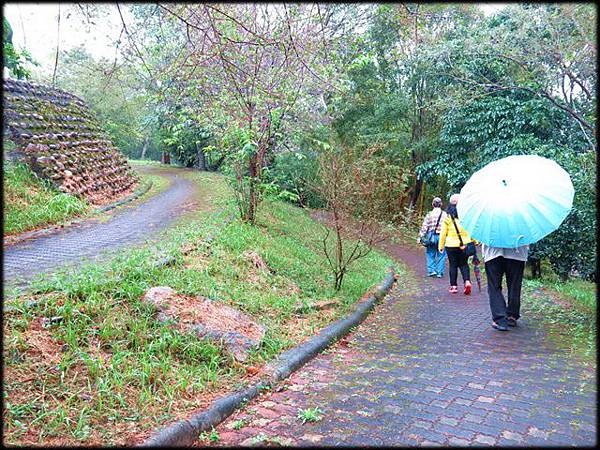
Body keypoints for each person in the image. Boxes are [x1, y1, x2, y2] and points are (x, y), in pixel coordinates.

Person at [482, 244, 529, 331]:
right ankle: (512, 316)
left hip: (493, 253)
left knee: (494, 287)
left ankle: (500, 319)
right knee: (515, 285)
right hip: (517, 253)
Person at [438, 193, 474, 295]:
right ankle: (467, 281)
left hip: (450, 245)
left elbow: (443, 233)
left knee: (453, 265)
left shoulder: (447, 217)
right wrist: (475, 241)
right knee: (464, 264)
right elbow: (471, 230)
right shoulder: (466, 216)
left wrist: (440, 246)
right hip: (465, 243)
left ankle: (453, 286)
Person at [417, 197, 446, 278]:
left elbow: (424, 227)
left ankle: (431, 271)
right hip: (442, 237)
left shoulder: (429, 215)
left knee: (430, 253)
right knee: (441, 254)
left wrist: (420, 237)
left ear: (432, 204)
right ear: (441, 204)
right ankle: (439, 272)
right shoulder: (445, 215)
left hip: (431, 237)